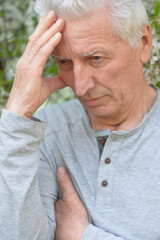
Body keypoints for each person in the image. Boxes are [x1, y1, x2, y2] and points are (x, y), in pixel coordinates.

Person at [0, 0, 160, 239]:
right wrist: (17, 117)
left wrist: (81, 234)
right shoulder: (44, 132)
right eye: (63, 62)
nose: (80, 87)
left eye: (95, 58)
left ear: (143, 43)